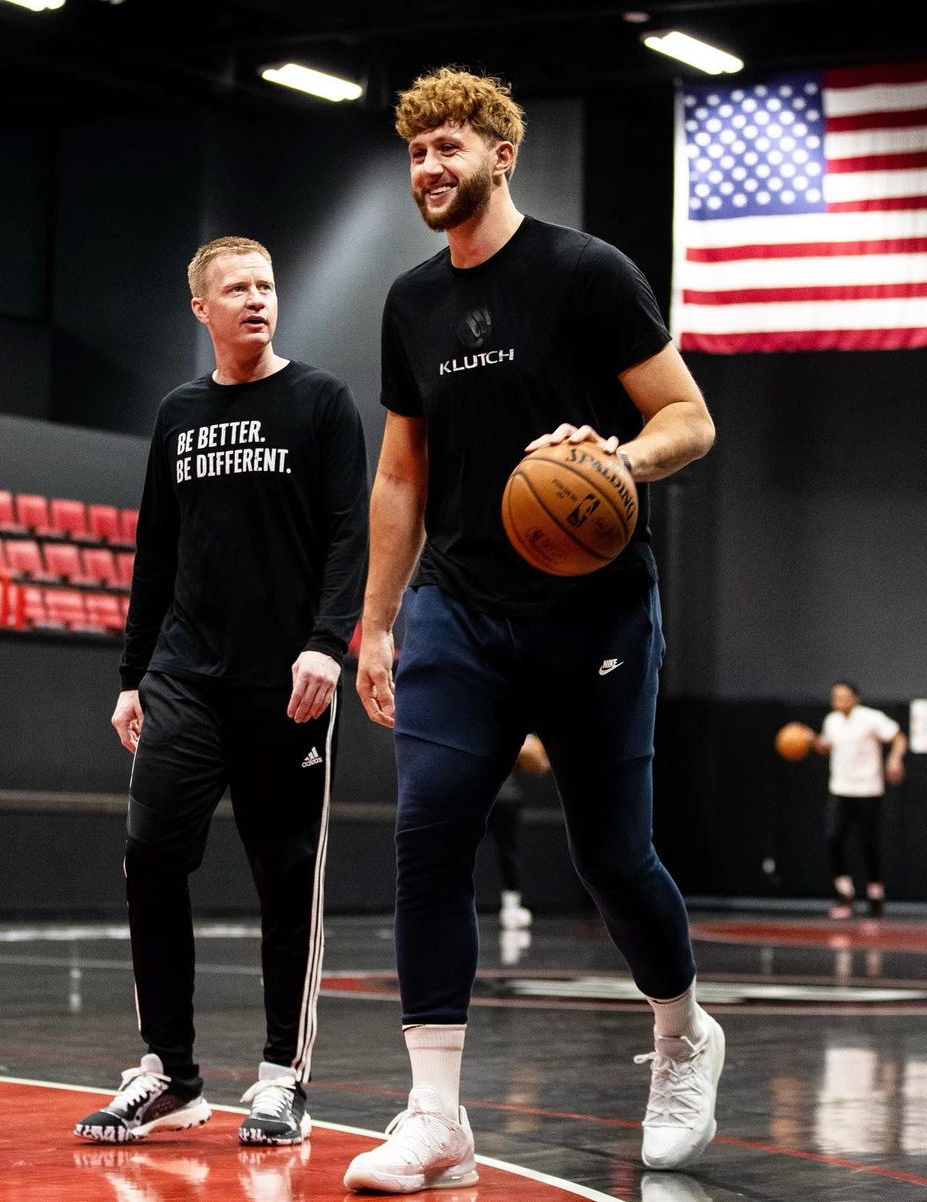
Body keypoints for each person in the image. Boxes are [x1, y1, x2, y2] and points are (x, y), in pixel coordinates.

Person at [344, 67, 719, 1194]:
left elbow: (688, 418)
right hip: (459, 606)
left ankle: (685, 1034)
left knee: (612, 855)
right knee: (428, 832)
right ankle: (436, 1114)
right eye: (416, 153)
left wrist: (620, 460)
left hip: (593, 609)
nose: (430, 169)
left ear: (503, 154)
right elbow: (401, 473)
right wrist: (374, 623)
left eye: (449, 147)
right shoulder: (410, 303)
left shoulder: (586, 273)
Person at [74, 236, 368, 1146]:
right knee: (152, 858)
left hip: (288, 685)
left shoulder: (321, 402)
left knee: (286, 882)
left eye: (268, 285)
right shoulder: (179, 414)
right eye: (236, 288)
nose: (257, 299)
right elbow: (155, 551)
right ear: (200, 308)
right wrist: (132, 674)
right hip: (184, 678)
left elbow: (348, 536)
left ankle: (283, 1077)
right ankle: (170, 1072)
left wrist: (329, 644)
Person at [809, 681, 906, 919]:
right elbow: (826, 746)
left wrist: (894, 759)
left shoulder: (870, 718)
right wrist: (810, 740)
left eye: (843, 696)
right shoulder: (831, 721)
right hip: (840, 790)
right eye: (835, 696)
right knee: (833, 839)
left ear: (855, 698)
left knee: (867, 844)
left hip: (867, 790)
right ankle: (846, 894)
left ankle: (875, 896)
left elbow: (899, 737)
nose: (838, 700)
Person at [487, 733, 550, 930]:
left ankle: (511, 908)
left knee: (508, 851)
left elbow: (541, 765)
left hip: (503, 796)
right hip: (488, 795)